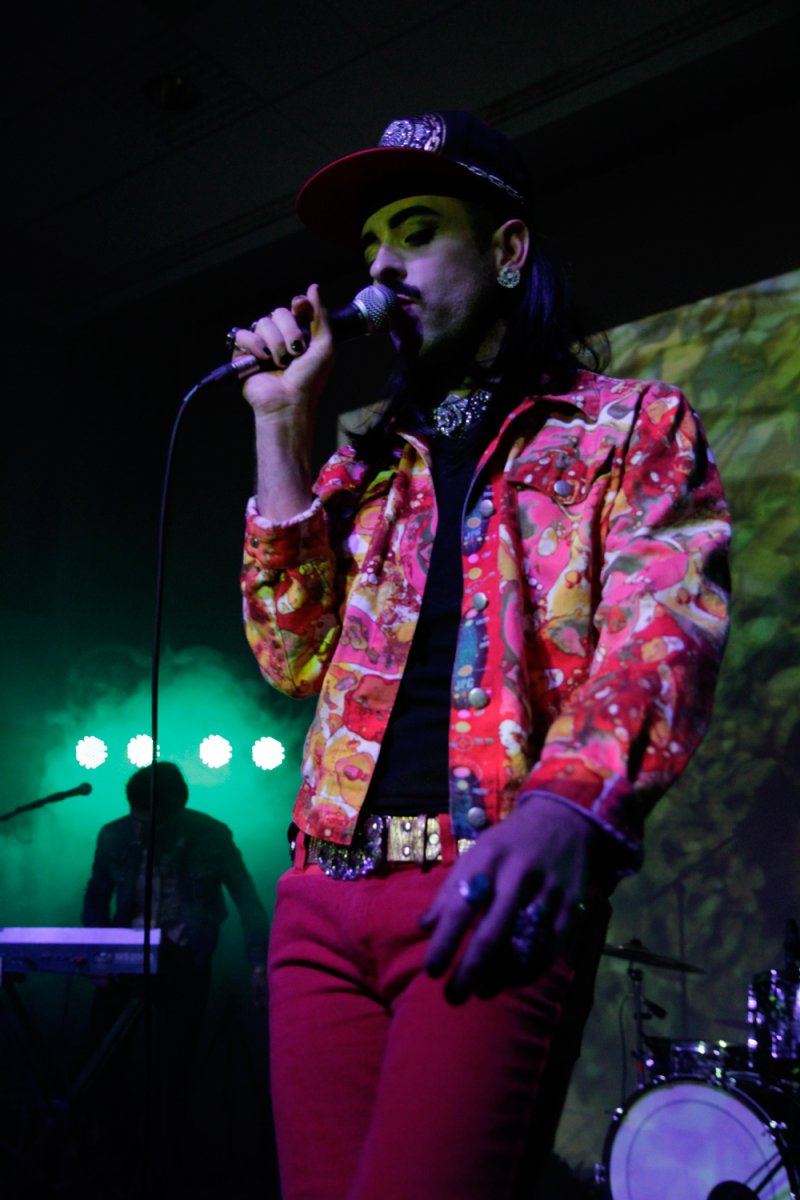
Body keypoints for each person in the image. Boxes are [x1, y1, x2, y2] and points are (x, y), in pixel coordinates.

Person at [233, 110, 731, 1199]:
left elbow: (660, 630)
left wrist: (565, 806)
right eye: (370, 244)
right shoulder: (366, 466)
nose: (380, 265)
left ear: (505, 254)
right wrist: (281, 424)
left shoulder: (624, 426)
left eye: (414, 230)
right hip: (320, 901)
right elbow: (288, 654)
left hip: (481, 882)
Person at [82, 761, 270, 1080]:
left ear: (178, 810)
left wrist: (259, 963)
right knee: (104, 1060)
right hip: (122, 960)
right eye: (137, 820)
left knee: (175, 1063)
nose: (143, 833)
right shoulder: (114, 836)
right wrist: (98, 956)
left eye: (154, 824)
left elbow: (248, 900)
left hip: (186, 960)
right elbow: (96, 897)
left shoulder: (212, 836)